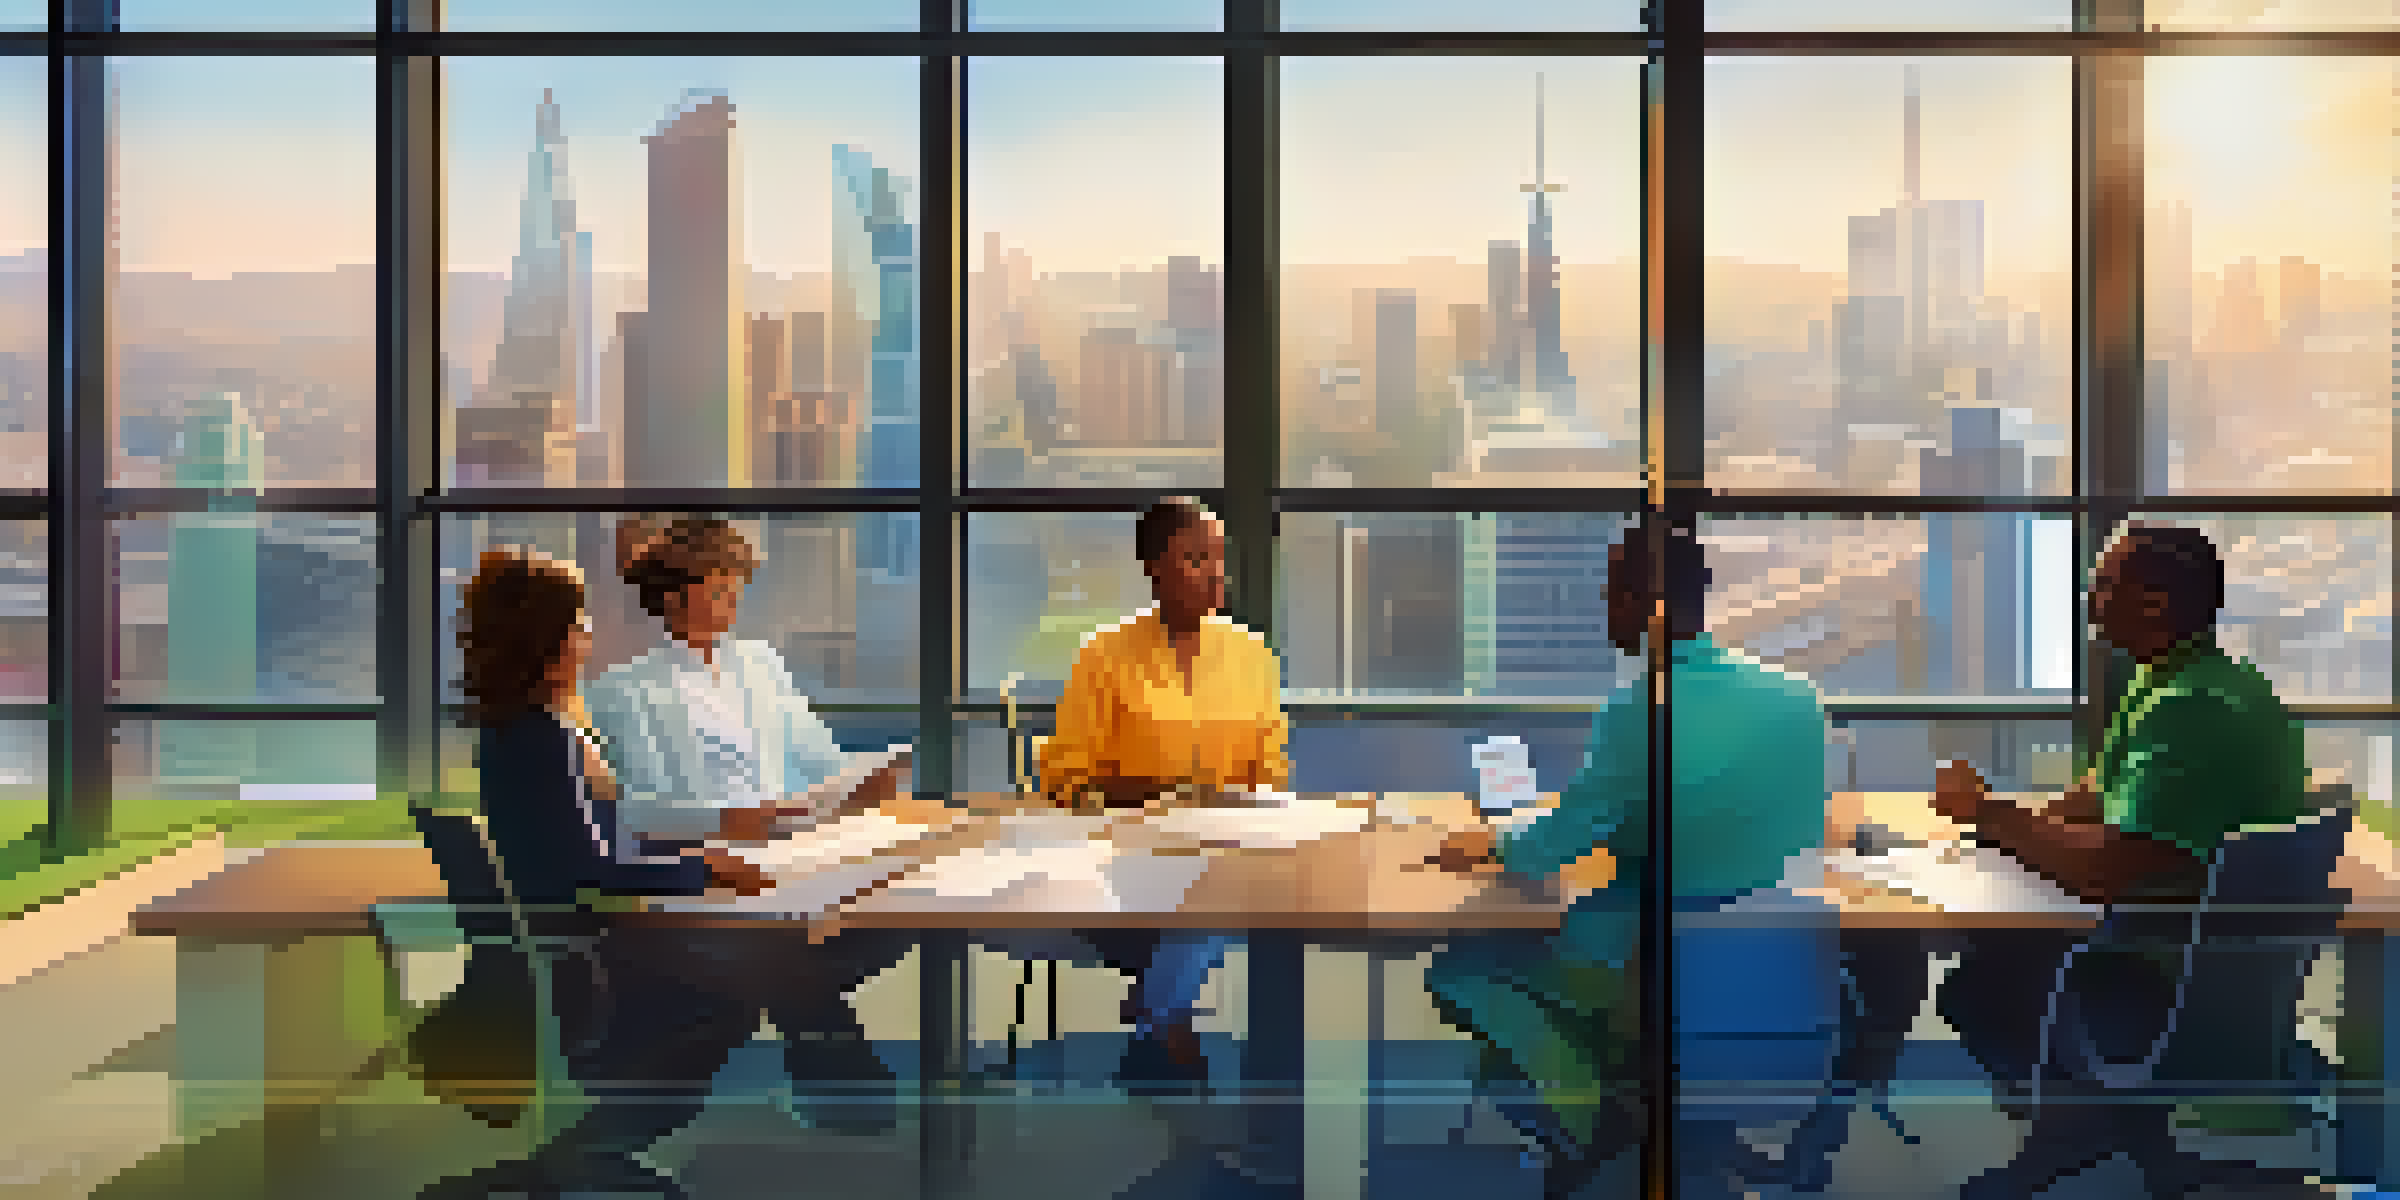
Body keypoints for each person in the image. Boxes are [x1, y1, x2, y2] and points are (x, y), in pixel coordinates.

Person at [1421, 518, 1831, 1200]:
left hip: (1650, 964)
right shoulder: (1798, 701)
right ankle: (1672, 1122)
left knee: (1462, 972)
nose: (1604, 606)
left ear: (1649, 603)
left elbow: (1550, 850)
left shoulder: (1640, 709)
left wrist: (1492, 843)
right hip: (1769, 968)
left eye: (1614, 590)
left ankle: (1590, 1121)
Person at [1932, 523, 2312, 1199]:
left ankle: (2078, 1127)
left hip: (2162, 967)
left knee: (1976, 983)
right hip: (2189, 943)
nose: (2091, 596)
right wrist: (2026, 823)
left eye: (2105, 583)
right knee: (1993, 943)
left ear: (2155, 602)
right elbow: (2105, 794)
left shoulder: (2193, 708)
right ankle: (2104, 1128)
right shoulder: (2178, 678)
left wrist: (1991, 818)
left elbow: (2110, 867)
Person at [426, 547, 770, 1200]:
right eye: (577, 621)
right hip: (595, 967)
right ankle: (585, 1151)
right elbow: (593, 866)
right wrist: (701, 871)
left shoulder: (517, 730)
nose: (588, 634)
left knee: (737, 972)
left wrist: (683, 858)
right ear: (549, 640)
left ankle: (582, 1152)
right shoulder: (543, 737)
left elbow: (588, 848)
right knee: (736, 995)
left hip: (583, 949)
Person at [582, 516, 914, 1134]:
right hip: (701, 865)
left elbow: (818, 762)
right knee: (790, 954)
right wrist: (726, 818)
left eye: (736, 587)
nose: (731, 602)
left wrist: (858, 783)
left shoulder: (761, 666)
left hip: (783, 852)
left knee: (874, 917)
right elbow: (633, 808)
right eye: (717, 587)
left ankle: (822, 1054)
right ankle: (830, 1055)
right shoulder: (624, 692)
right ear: (673, 596)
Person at [1035, 496, 1292, 1091]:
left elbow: (1272, 772)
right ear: (1154, 566)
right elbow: (1066, 774)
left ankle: (1158, 1021)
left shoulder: (1253, 657)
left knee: (1214, 890)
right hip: (1124, 852)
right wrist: (1159, 794)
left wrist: (1241, 805)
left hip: (1227, 849)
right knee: (1198, 905)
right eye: (1195, 558)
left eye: (1219, 558)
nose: (1215, 573)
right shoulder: (1104, 655)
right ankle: (1168, 1023)